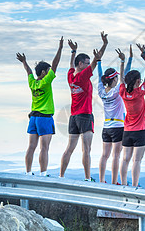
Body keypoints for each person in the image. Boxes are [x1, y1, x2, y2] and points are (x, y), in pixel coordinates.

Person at [60, 32, 108, 181]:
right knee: (86, 149)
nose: (88, 66)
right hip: (85, 115)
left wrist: (73, 52)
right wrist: (104, 44)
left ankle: (61, 176)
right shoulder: (82, 76)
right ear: (81, 64)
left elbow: (70, 65)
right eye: (86, 63)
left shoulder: (71, 76)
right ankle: (87, 178)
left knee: (69, 148)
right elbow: (95, 61)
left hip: (73, 116)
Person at [16, 36, 63, 176]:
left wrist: (24, 62)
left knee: (31, 147)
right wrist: (60, 48)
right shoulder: (46, 82)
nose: (50, 72)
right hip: (45, 118)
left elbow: (29, 72)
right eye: (48, 71)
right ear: (44, 73)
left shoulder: (32, 83)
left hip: (33, 118)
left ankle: (28, 172)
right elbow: (55, 64)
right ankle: (43, 174)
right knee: (44, 148)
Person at [119, 46, 145, 187]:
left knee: (125, 159)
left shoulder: (123, 92)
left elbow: (122, 78)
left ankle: (122, 184)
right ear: (137, 81)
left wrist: (122, 62)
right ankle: (134, 185)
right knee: (137, 161)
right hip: (140, 130)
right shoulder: (140, 92)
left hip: (127, 130)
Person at [97, 46, 133, 184]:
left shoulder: (101, 90)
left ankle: (101, 180)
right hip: (118, 125)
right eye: (116, 77)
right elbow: (126, 74)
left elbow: (100, 75)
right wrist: (125, 60)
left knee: (104, 155)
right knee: (116, 156)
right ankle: (113, 181)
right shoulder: (116, 90)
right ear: (113, 79)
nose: (118, 79)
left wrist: (99, 61)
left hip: (106, 126)